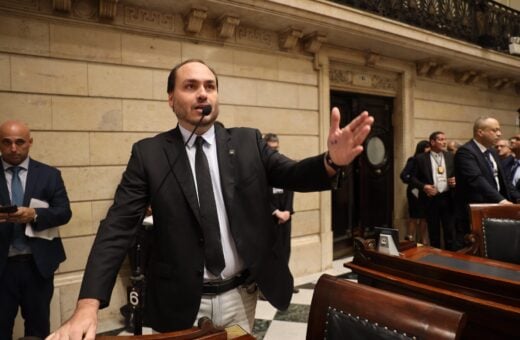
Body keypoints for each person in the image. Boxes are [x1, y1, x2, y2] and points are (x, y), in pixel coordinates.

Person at [48, 59, 374, 339]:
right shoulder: (150, 154)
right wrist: (87, 305)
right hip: (180, 300)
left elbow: (292, 174)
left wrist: (331, 161)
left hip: (240, 295)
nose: (203, 92)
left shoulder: (248, 141)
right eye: (190, 86)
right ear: (171, 99)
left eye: (210, 86)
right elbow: (118, 225)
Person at [0, 120, 72, 339]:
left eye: (20, 142)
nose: (13, 148)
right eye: (7, 142)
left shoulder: (49, 175)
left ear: (30, 143)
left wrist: (35, 215)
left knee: (38, 329)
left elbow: (64, 212)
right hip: (2, 269)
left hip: (38, 267)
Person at [454, 117, 520, 250]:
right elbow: (476, 180)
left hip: (495, 209)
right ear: (480, 132)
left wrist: (517, 198)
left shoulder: (492, 152)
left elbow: (504, 181)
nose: (499, 134)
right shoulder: (466, 152)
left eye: (499, 130)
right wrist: (501, 201)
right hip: (476, 212)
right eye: (494, 130)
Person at [263, 133, 298, 294]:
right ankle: (267, 290)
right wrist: (275, 212)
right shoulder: (258, 170)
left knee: (285, 250)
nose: (274, 152)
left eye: (276, 149)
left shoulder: (281, 166)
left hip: (285, 217)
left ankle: (285, 285)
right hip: (268, 218)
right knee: (270, 254)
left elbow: (290, 189)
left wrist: (287, 211)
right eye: (271, 149)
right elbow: (257, 195)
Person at [409, 132, 456, 249]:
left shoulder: (450, 156)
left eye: (445, 139)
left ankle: (451, 257)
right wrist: (424, 186)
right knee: (433, 232)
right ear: (432, 142)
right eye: (440, 139)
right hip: (430, 199)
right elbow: (412, 178)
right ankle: (436, 258)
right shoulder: (421, 158)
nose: (444, 142)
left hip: (447, 197)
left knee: (449, 231)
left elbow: (458, 173)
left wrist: (456, 180)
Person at [399, 140, 430, 245]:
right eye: (427, 147)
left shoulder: (429, 160)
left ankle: (423, 241)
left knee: (424, 217)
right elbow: (404, 175)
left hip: (425, 192)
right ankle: (410, 240)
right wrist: (414, 183)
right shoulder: (413, 160)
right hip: (415, 191)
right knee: (414, 216)